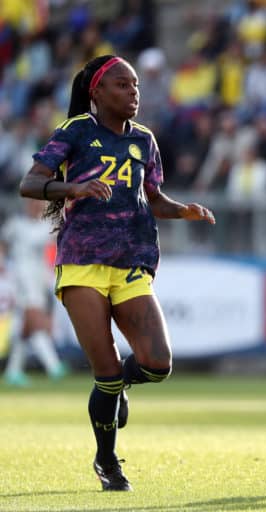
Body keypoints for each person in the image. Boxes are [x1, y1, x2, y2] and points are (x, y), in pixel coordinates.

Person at [19, 54, 216, 491]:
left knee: (158, 363)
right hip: (83, 262)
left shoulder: (144, 140)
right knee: (104, 372)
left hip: (131, 260)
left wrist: (181, 210)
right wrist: (75, 187)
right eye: (124, 86)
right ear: (98, 93)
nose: (134, 94)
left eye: (136, 87)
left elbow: (154, 197)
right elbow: (30, 184)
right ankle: (108, 462)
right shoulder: (75, 132)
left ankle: (120, 386)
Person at [2, 198, 68, 387]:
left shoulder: (46, 225)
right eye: (32, 202)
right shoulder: (16, 224)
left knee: (25, 327)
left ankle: (13, 371)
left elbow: (58, 241)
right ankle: (53, 366)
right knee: (34, 319)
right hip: (21, 279)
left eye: (39, 203)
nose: (36, 206)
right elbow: (3, 244)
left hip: (39, 279)